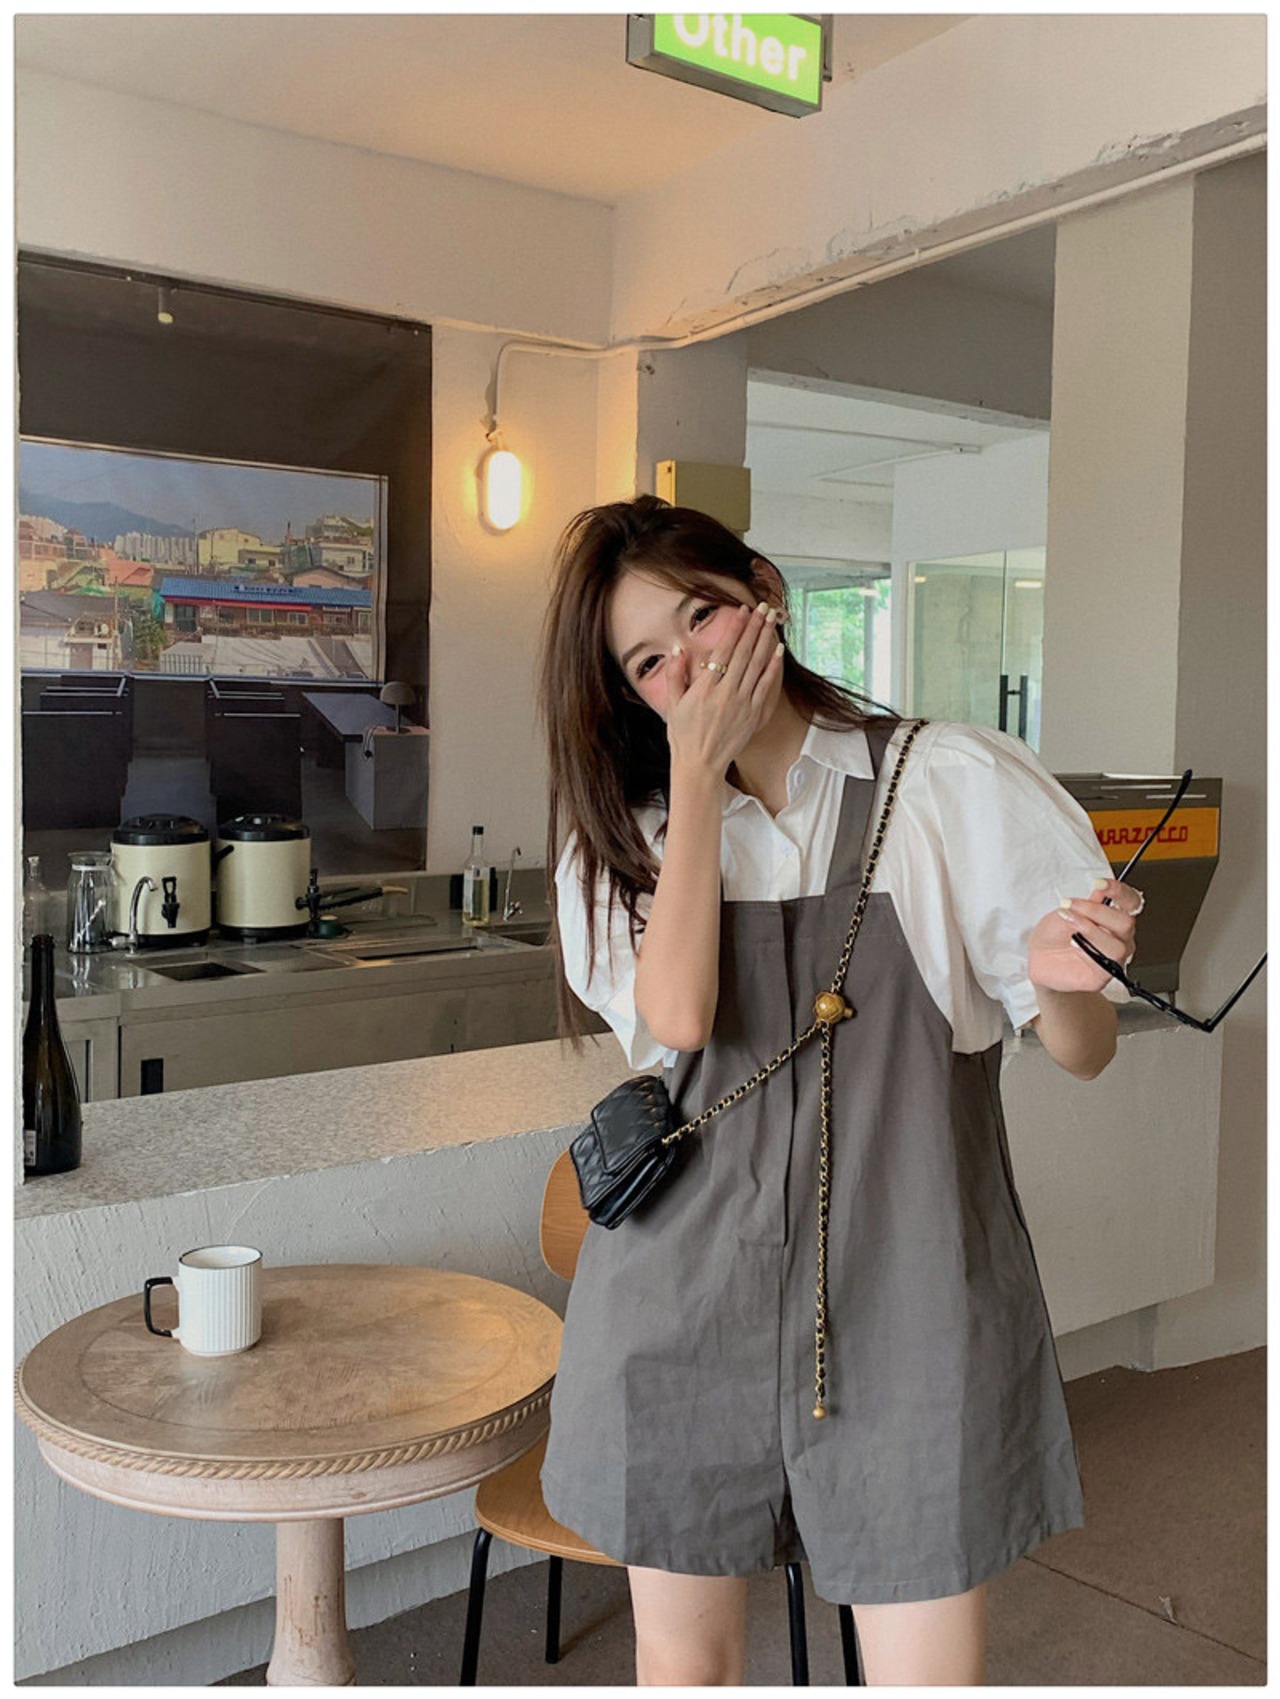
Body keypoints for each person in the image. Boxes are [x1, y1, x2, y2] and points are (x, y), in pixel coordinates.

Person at [534, 494, 1140, 1686]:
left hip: (907, 1292)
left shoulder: (947, 781)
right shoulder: (623, 838)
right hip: (676, 1300)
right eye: (648, 662)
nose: (687, 667)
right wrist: (695, 783)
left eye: (698, 617)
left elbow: (1085, 1048)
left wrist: (1058, 975)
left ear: (763, 591)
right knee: (684, 1664)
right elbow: (678, 1019)